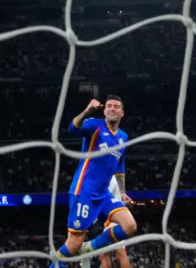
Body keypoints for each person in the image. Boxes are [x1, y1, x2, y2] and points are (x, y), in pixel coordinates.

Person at [50, 97, 136, 268]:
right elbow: (72, 129)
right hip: (84, 191)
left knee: (130, 226)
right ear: (104, 111)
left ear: (122, 113)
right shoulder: (94, 125)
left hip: (103, 194)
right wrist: (87, 111)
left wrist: (122, 192)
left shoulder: (123, 137)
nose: (112, 109)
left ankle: (89, 248)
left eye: (116, 106)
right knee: (74, 243)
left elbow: (119, 166)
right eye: (109, 106)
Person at [97, 177, 131, 268]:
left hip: (114, 219)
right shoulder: (112, 178)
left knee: (120, 253)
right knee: (103, 252)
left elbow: (103, 197)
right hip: (114, 219)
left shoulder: (109, 178)